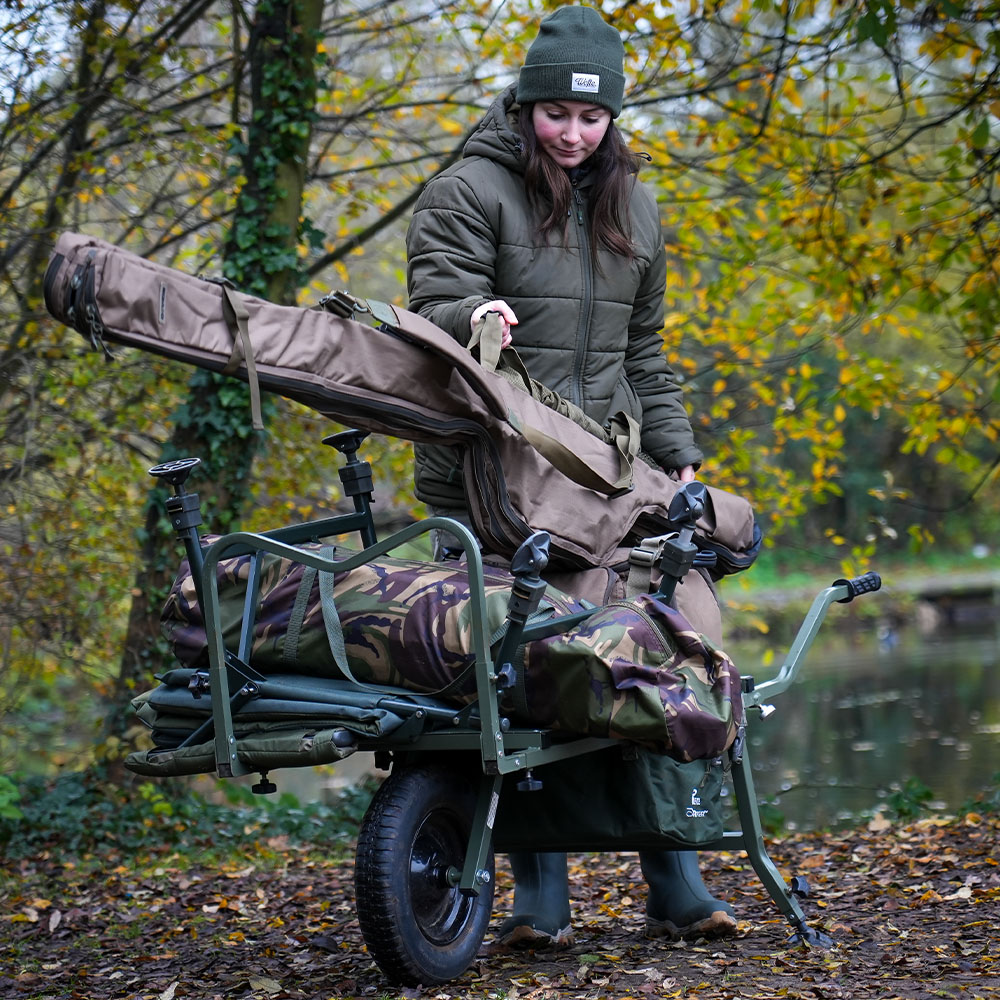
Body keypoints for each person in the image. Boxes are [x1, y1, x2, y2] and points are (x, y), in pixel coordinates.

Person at [405, 4, 737, 947]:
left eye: (592, 118)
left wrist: (674, 454)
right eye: (557, 113)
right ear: (526, 104)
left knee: (654, 651)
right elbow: (432, 307)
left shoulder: (635, 204)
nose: (574, 133)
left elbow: (646, 349)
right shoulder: (468, 189)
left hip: (606, 480)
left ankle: (676, 881)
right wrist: (480, 318)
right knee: (519, 675)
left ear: (613, 120)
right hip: (492, 478)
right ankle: (535, 900)